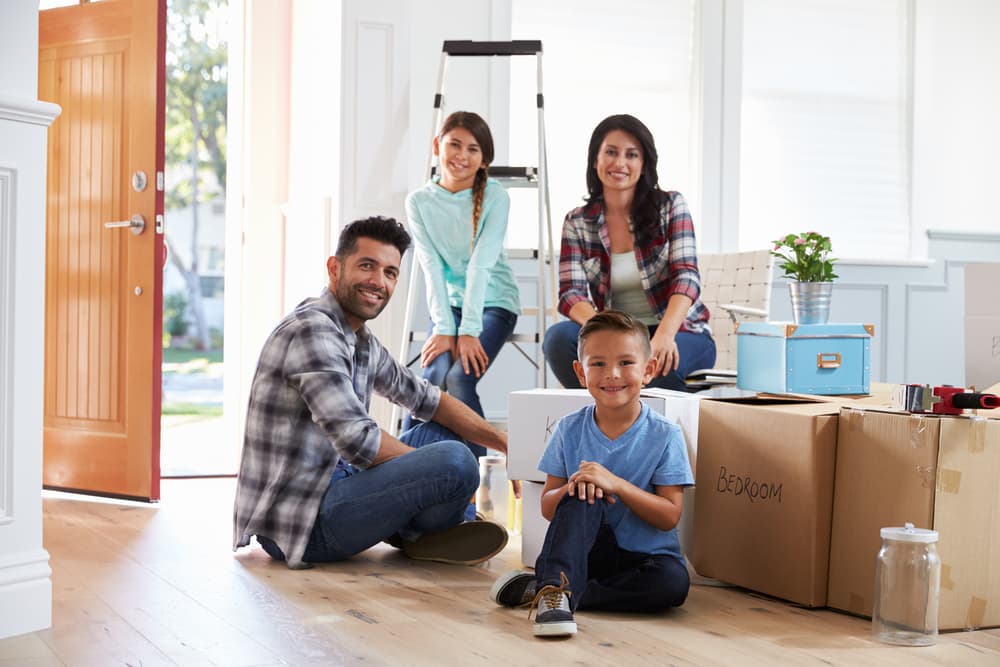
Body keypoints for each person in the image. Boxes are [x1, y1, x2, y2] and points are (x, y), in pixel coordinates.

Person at [233, 216, 509, 570]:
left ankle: (422, 529)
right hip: (306, 523)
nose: (378, 281)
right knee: (454, 461)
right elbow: (357, 441)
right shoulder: (312, 331)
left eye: (390, 272)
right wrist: (430, 476)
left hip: (342, 483)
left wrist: (506, 445)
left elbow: (428, 399)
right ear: (334, 268)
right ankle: (431, 527)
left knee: (451, 431)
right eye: (367, 266)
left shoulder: (359, 339)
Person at [490, 311, 694, 637]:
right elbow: (547, 505)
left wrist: (616, 484)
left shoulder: (666, 435)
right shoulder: (569, 429)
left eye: (626, 362)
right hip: (586, 554)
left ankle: (551, 591)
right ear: (580, 373)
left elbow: (670, 516)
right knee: (583, 491)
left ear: (649, 370)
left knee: (673, 585)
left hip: (647, 561)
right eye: (598, 364)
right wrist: (573, 486)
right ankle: (555, 592)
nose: (612, 374)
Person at [542, 114, 715, 392]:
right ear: (595, 160)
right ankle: (599, 422)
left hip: (678, 331)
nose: (620, 163)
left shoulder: (671, 206)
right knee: (558, 338)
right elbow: (570, 293)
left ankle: (655, 433)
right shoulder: (577, 221)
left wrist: (663, 335)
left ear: (644, 163)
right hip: (616, 333)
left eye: (631, 154)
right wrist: (611, 334)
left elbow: (687, 276)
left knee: (657, 366)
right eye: (611, 152)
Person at [402, 111, 521, 467]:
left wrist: (468, 330)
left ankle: (478, 480)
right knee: (432, 378)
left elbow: (480, 265)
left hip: (494, 304)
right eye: (454, 144)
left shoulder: (497, 198)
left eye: (473, 149)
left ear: (484, 160)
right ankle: (402, 465)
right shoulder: (419, 202)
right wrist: (445, 328)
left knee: (458, 378)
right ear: (437, 145)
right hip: (449, 310)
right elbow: (431, 267)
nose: (462, 155)